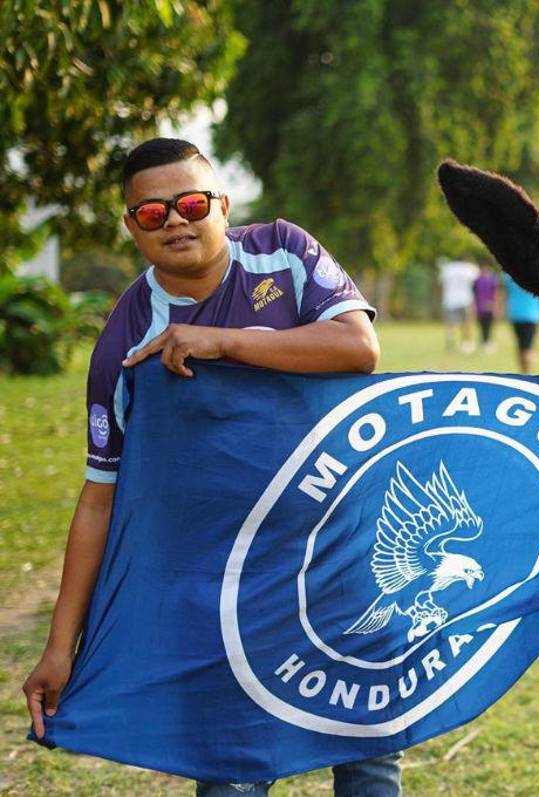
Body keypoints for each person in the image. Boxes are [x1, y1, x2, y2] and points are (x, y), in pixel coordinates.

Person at [19, 138, 402, 797]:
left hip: (339, 549)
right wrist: (60, 646)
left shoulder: (284, 250)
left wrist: (223, 341)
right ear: (131, 227)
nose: (174, 220)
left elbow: (358, 347)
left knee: (368, 747)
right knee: (231, 767)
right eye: (152, 213)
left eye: (191, 203)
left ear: (222, 206)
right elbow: (99, 498)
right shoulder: (125, 338)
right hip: (221, 579)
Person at [501, 273, 539, 374]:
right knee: (528, 347)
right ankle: (528, 373)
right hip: (532, 315)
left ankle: (523, 372)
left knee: (521, 346)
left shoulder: (508, 275)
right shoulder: (535, 274)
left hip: (515, 314)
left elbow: (504, 294)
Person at [438, 257, 479, 352]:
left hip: (450, 300)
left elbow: (440, 283)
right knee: (466, 322)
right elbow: (476, 282)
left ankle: (450, 340)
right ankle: (466, 342)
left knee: (450, 323)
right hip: (465, 299)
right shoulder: (469, 268)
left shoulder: (447, 268)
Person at [473, 260, 500, 353]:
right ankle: (485, 343)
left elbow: (496, 293)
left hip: (489, 306)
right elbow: (474, 294)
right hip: (480, 307)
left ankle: (488, 342)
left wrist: (495, 306)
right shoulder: (477, 280)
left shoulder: (492, 280)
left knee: (489, 325)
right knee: (482, 326)